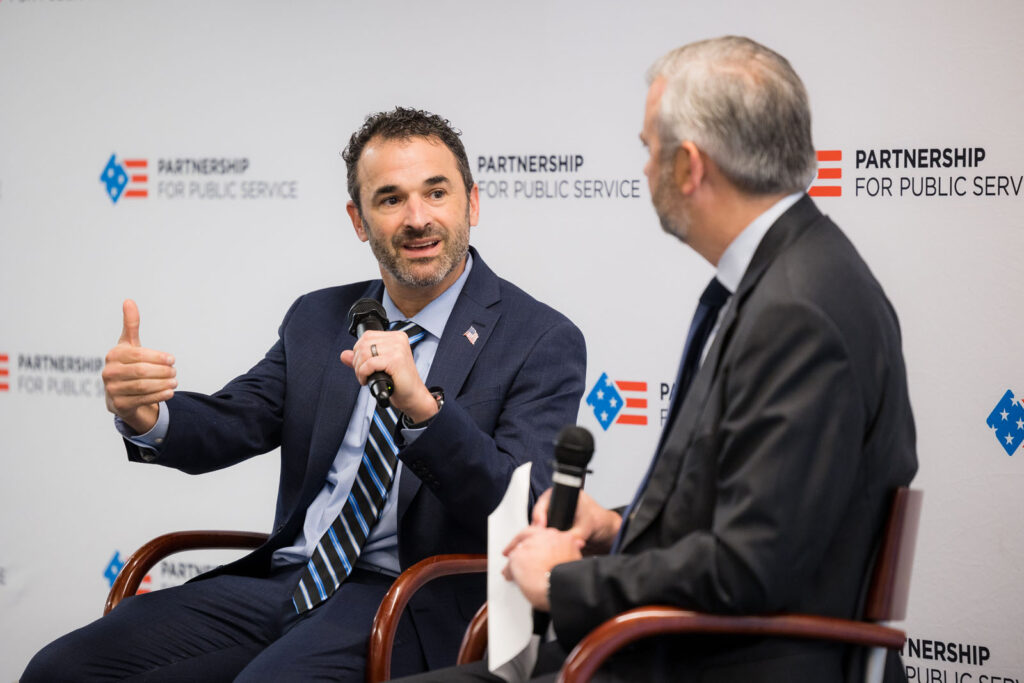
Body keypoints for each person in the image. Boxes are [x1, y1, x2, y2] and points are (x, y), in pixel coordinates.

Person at [400, 36, 918, 683]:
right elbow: (747, 519)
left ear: (690, 166)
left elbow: (749, 567)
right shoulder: (786, 279)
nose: (644, 170)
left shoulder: (797, 310)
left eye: (649, 150)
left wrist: (567, 582)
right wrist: (616, 526)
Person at [23, 107, 586, 681]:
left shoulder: (539, 339)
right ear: (359, 220)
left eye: (436, 193)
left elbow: (525, 511)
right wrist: (148, 415)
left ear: (472, 201)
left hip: (409, 600)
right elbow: (237, 419)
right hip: (289, 579)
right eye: (390, 199)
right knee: (61, 669)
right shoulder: (319, 318)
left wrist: (425, 412)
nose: (418, 218)